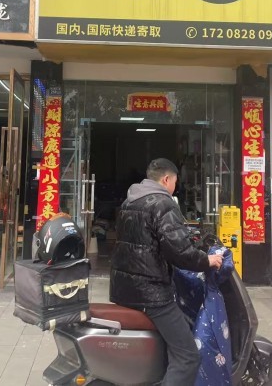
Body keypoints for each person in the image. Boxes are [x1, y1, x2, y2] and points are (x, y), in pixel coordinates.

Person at [110, 158, 223, 386]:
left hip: (123, 288)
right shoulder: (163, 203)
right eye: (175, 182)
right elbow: (179, 251)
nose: (175, 186)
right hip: (151, 294)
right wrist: (206, 260)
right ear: (166, 179)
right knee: (188, 357)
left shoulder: (130, 201)